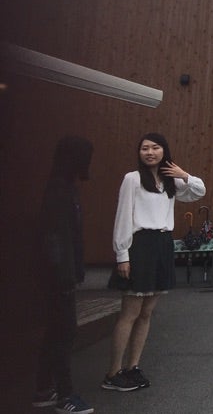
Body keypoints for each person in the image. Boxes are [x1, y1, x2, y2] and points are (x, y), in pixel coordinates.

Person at [102, 133, 205, 393]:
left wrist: (184, 175)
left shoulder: (170, 181)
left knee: (147, 312)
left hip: (162, 245)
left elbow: (198, 191)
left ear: (164, 151)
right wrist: (122, 254)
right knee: (130, 313)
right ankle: (113, 372)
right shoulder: (132, 179)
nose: (150, 152)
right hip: (140, 246)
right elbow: (123, 216)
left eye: (155, 148)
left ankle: (133, 366)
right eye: (145, 148)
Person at [32, 136, 95, 414]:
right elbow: (56, 238)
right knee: (64, 333)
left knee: (55, 332)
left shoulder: (63, 186)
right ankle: (65, 394)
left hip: (59, 275)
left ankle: (43, 389)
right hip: (58, 278)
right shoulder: (60, 190)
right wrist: (65, 276)